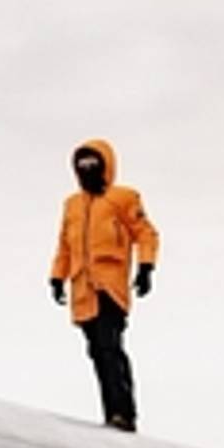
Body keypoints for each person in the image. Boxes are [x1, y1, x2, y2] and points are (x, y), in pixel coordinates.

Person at [46, 138, 159, 430]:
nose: (87, 169)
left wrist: (146, 267)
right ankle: (110, 412)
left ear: (105, 164)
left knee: (110, 347)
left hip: (109, 286)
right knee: (96, 350)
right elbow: (64, 245)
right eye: (81, 164)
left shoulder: (123, 198)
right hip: (82, 288)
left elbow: (145, 233)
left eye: (92, 162)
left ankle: (124, 413)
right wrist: (57, 277)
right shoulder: (71, 205)